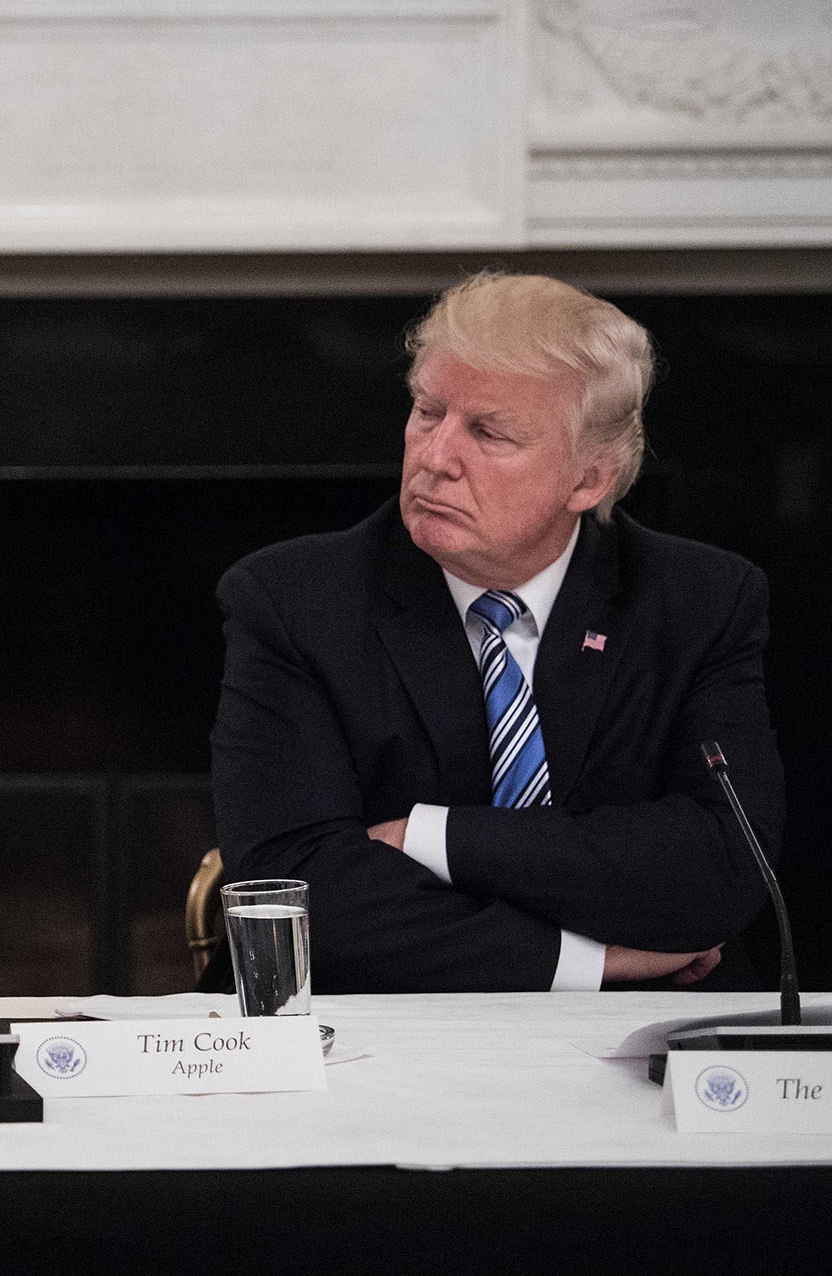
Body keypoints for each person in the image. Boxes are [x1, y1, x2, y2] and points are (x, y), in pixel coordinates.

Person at [210, 272, 780, 992]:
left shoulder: (701, 602)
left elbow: (725, 866)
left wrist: (428, 835)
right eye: (428, 412)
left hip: (642, 1031)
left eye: (489, 432)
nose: (435, 457)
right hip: (378, 1028)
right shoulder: (294, 601)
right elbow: (292, 890)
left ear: (588, 480)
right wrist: (588, 961)